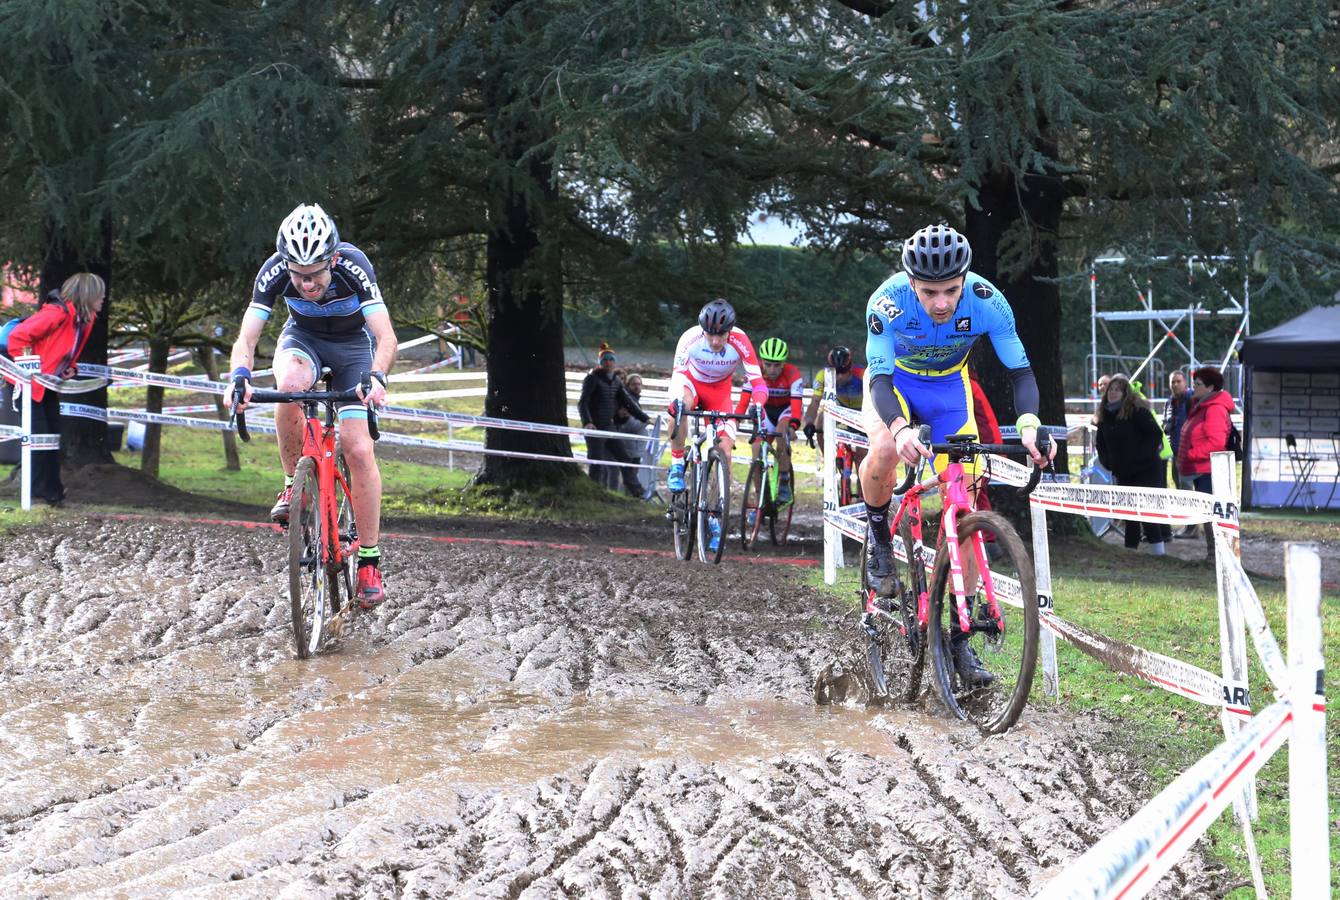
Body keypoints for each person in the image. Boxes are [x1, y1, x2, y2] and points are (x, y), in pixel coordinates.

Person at [860, 224, 1053, 687]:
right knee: (885, 447)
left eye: (950, 290)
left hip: (949, 391)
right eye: (929, 293)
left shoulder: (988, 301)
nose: (942, 302)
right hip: (895, 386)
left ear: (964, 280)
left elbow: (1022, 372)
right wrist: (901, 427)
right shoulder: (885, 303)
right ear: (911, 284)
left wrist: (1028, 424)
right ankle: (879, 537)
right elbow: (880, 381)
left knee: (963, 499)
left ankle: (959, 638)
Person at [226, 203, 398, 608]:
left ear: (333, 259)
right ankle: (292, 486)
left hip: (355, 349)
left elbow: (386, 338)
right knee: (287, 387)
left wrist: (377, 376)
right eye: (298, 276)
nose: (306, 285)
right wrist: (239, 376)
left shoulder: (354, 266)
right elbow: (247, 340)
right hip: (303, 340)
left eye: (316, 274)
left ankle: (370, 561)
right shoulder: (272, 271)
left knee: (357, 447)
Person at [667, 299, 768, 553]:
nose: (714, 341)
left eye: (721, 335)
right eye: (710, 334)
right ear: (703, 330)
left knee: (725, 449)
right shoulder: (689, 338)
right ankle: (678, 463)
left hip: (720, 391)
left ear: (730, 331)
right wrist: (678, 401)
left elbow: (758, 383)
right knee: (678, 407)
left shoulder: (741, 341)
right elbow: (678, 376)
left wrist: (758, 404)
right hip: (691, 383)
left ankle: (715, 513)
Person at [4, 274, 104, 505]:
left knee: (51, 440)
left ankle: (52, 493)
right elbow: (18, 338)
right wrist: (28, 370)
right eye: (100, 294)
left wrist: (71, 368)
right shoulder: (56, 313)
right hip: (29, 387)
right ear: (88, 295)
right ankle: (37, 495)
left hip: (48, 387)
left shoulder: (85, 320)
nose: (103, 299)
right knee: (38, 442)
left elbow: (65, 350)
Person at [1095, 374, 1171, 554]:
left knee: (1147, 511)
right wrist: (1108, 462)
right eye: (1111, 389)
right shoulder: (1105, 415)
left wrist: (1140, 457)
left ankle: (1158, 551)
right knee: (1128, 512)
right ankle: (1130, 551)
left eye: (1117, 390)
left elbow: (1155, 434)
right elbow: (1101, 443)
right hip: (1123, 471)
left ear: (1125, 393)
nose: (1112, 393)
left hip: (1147, 469)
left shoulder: (1137, 411)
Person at [733, 337, 802, 503]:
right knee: (756, 449)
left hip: (786, 411)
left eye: (777, 365)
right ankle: (760, 499)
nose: (772, 369)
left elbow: (796, 406)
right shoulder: (754, 372)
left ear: (784, 363)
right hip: (766, 411)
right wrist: (734, 424)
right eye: (768, 364)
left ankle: (784, 482)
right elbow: (743, 403)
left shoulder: (793, 374)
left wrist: (793, 426)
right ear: (761, 361)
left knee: (781, 433)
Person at [1177, 366, 1235, 561]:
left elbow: (1216, 443)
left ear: (1211, 387)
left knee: (1211, 514)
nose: (1194, 387)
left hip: (1207, 470)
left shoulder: (1215, 409)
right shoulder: (1202, 406)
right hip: (1201, 469)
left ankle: (1215, 555)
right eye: (1194, 383)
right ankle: (1214, 554)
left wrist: (1191, 454)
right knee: (1207, 513)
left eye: (1198, 384)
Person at [578, 342, 648, 496]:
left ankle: (637, 492)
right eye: (605, 360)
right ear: (600, 362)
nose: (608, 362)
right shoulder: (592, 379)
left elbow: (628, 403)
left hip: (609, 427)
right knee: (597, 463)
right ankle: (594, 494)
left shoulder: (616, 381)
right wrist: (587, 422)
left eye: (611, 360)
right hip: (594, 428)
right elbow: (583, 403)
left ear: (614, 362)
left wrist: (644, 418)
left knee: (624, 458)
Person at [802, 346, 866, 454]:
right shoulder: (823, 375)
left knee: (861, 454)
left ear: (850, 368)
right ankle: (828, 461)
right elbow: (814, 403)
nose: (839, 376)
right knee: (821, 420)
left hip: (862, 410)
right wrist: (809, 423)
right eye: (836, 372)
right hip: (841, 407)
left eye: (843, 372)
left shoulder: (862, 374)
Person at [1163, 369, 1198, 537]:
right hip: (1175, 453)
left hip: (1190, 453)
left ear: (1185, 383)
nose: (1175, 385)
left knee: (1187, 489)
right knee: (1179, 487)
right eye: (1172, 382)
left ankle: (1192, 528)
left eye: (1178, 381)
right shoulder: (1169, 403)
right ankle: (1189, 525)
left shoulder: (1191, 400)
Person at [614, 372, 652, 498]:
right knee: (629, 472)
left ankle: (627, 496)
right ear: (627, 385)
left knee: (631, 472)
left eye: (639, 384)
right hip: (630, 444)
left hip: (635, 445)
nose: (637, 387)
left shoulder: (634, 401)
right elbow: (630, 425)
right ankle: (627, 496)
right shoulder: (628, 402)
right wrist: (647, 422)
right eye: (633, 384)